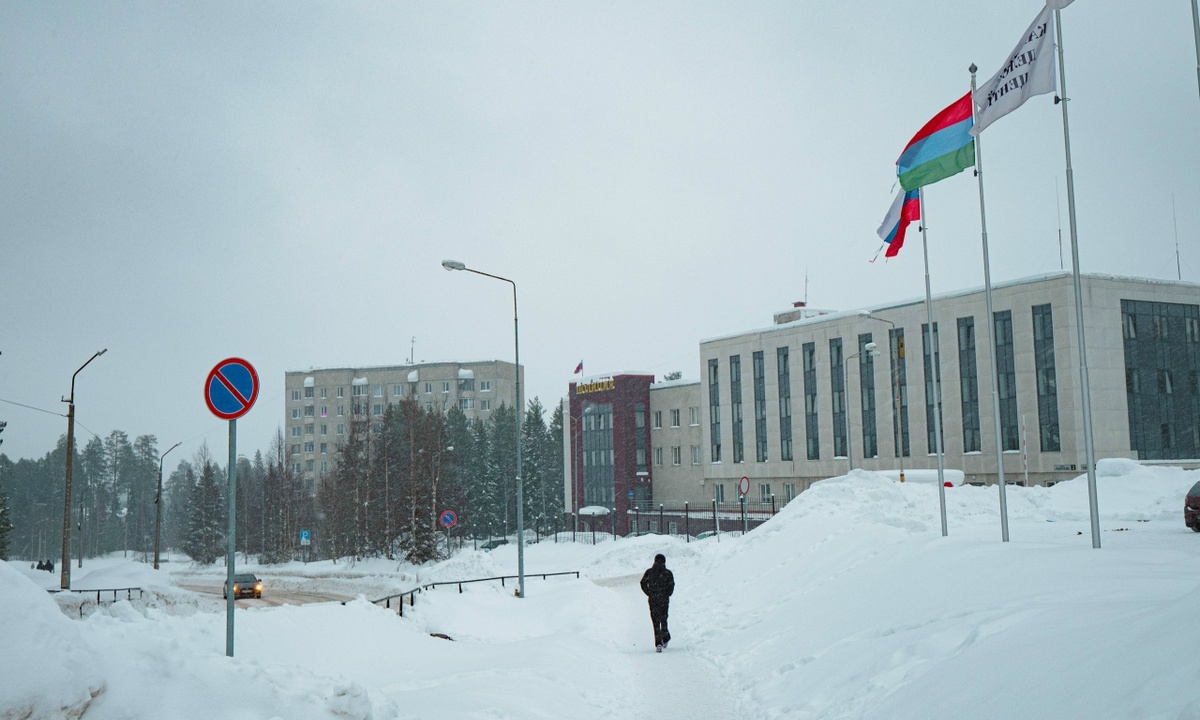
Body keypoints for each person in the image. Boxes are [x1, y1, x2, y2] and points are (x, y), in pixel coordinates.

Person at [640, 553, 674, 652]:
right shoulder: (668, 573)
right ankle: (665, 638)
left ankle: (658, 643)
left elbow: (642, 583)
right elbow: (671, 585)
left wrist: (649, 592)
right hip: (664, 599)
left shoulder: (649, 572)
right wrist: (668, 593)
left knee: (655, 621)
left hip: (653, 599)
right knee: (663, 619)